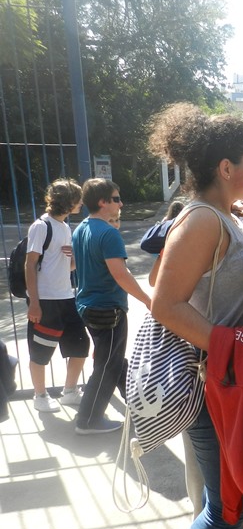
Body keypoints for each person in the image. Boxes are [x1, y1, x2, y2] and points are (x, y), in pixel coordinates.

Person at [147, 102, 243, 529]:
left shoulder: (220, 215)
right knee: (226, 510)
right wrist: (233, 346)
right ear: (226, 168)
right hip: (216, 381)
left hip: (228, 380)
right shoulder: (201, 220)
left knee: (230, 499)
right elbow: (165, 304)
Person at [72, 178, 151, 434]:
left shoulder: (81, 228)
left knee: (109, 360)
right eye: (116, 199)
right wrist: (147, 300)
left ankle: (135, 403)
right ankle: (88, 420)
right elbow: (121, 275)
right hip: (108, 309)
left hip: (88, 305)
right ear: (102, 202)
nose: (121, 203)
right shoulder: (109, 233)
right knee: (108, 365)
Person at [25, 179, 89, 413]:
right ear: (68, 200)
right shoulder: (42, 226)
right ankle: (40, 396)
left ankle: (69, 392)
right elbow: (30, 264)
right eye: (78, 199)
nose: (81, 203)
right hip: (46, 300)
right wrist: (34, 303)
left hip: (66, 298)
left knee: (80, 346)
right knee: (41, 351)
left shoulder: (64, 227)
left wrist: (75, 257)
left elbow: (67, 267)